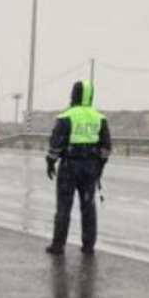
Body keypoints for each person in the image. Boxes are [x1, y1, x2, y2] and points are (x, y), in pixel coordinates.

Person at [45, 79, 111, 256]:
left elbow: (56, 143)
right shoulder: (100, 118)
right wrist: (99, 166)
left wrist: (51, 162)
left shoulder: (67, 116)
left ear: (74, 94)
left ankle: (58, 245)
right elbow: (106, 147)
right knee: (88, 206)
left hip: (69, 166)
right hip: (90, 167)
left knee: (64, 206)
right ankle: (88, 245)